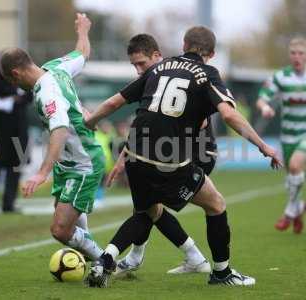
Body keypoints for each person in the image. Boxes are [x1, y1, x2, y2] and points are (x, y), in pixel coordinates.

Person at [85, 26, 281, 287]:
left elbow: (113, 103)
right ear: (210, 53)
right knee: (216, 205)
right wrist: (263, 145)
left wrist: (91, 121)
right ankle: (222, 273)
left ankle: (105, 259)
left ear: (184, 44)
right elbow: (230, 115)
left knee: (147, 211)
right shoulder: (207, 74)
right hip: (168, 162)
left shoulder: (158, 68)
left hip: (134, 156)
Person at [0, 13, 104, 261]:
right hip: (70, 162)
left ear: (16, 73)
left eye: (11, 81)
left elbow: (60, 129)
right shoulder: (55, 67)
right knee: (66, 221)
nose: (14, 86)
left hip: (83, 163)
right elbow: (82, 53)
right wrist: (83, 32)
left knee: (60, 229)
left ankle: (105, 261)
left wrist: (42, 172)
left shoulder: (47, 93)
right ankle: (97, 261)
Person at [112, 34, 213, 276]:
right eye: (134, 66)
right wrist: (125, 156)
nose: (138, 71)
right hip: (168, 155)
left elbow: (197, 125)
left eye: (142, 64)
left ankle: (124, 257)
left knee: (149, 207)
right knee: (149, 207)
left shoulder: (173, 75)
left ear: (157, 56)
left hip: (195, 154)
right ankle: (193, 258)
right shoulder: (156, 78)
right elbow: (145, 125)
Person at [256, 37, 306, 234]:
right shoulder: (281, 76)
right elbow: (262, 99)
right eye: (293, 53)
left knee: (294, 166)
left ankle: (288, 212)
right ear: (289, 55)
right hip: (287, 136)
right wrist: (265, 107)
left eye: (301, 53)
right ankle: (298, 209)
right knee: (292, 179)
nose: (297, 57)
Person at [0, 65, 32, 213]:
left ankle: (9, 204)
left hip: (19, 131)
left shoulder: (23, 76)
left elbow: (28, 97)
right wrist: (15, 95)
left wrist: (16, 97)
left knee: (16, 168)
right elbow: (0, 91)